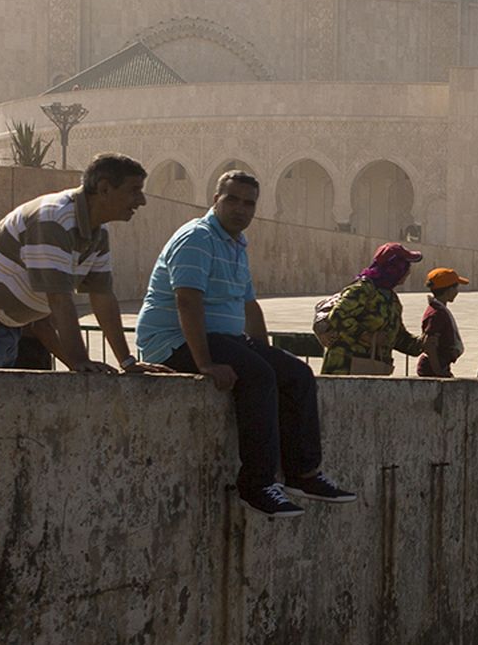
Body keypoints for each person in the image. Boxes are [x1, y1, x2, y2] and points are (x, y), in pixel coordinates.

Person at [134, 170, 356, 518]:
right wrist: (205, 363)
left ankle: (303, 474)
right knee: (258, 376)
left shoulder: (236, 244)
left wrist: (266, 352)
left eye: (248, 203)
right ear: (215, 200)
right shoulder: (197, 238)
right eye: (232, 199)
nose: (240, 208)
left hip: (222, 339)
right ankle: (257, 483)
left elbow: (249, 306)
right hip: (175, 342)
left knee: (296, 374)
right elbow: (187, 301)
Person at [0, 152, 148, 372]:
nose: (142, 201)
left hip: (7, 325)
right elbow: (59, 300)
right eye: (134, 191)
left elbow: (102, 296)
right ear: (104, 189)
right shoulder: (53, 219)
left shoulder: (98, 231)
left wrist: (127, 362)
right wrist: (80, 361)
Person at [319, 242, 428, 375]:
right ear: (395, 268)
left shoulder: (391, 299)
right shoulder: (363, 290)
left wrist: (422, 344)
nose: (408, 272)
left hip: (372, 370)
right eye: (406, 266)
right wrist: (366, 336)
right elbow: (337, 316)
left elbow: (396, 336)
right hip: (345, 369)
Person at [417, 266, 468, 378]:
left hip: (440, 365)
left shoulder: (439, 310)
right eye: (456, 288)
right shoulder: (436, 314)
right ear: (449, 290)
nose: (457, 292)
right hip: (432, 370)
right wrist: (438, 371)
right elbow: (430, 345)